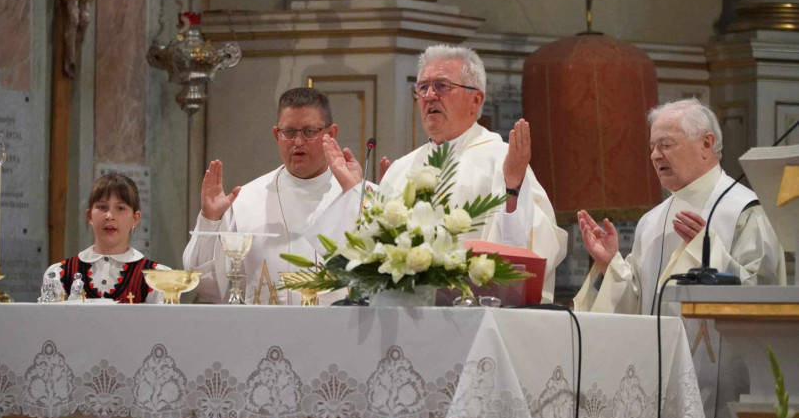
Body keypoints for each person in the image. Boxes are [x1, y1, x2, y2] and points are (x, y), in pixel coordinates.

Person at [322, 44, 567, 302]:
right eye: (422, 88)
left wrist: (513, 188)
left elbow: (528, 253)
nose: (429, 96)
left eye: (441, 86)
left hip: (476, 315)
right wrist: (358, 194)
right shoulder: (401, 169)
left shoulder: (502, 160)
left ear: (475, 100)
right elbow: (377, 255)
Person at [574, 98, 786, 315]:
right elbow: (641, 307)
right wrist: (610, 266)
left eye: (666, 145)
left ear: (706, 144)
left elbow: (764, 296)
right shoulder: (650, 221)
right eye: (652, 147)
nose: (655, 155)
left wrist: (709, 251)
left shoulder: (745, 211)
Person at [182, 87, 356, 304]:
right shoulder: (245, 201)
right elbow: (208, 287)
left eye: (309, 131)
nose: (298, 142)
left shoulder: (357, 197)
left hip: (340, 325)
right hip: (264, 326)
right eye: (289, 132)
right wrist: (210, 220)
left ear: (331, 134)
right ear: (276, 135)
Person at [43, 172, 169, 303]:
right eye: (102, 207)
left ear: (135, 218)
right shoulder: (60, 274)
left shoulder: (157, 279)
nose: (109, 216)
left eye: (120, 208)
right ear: (90, 216)